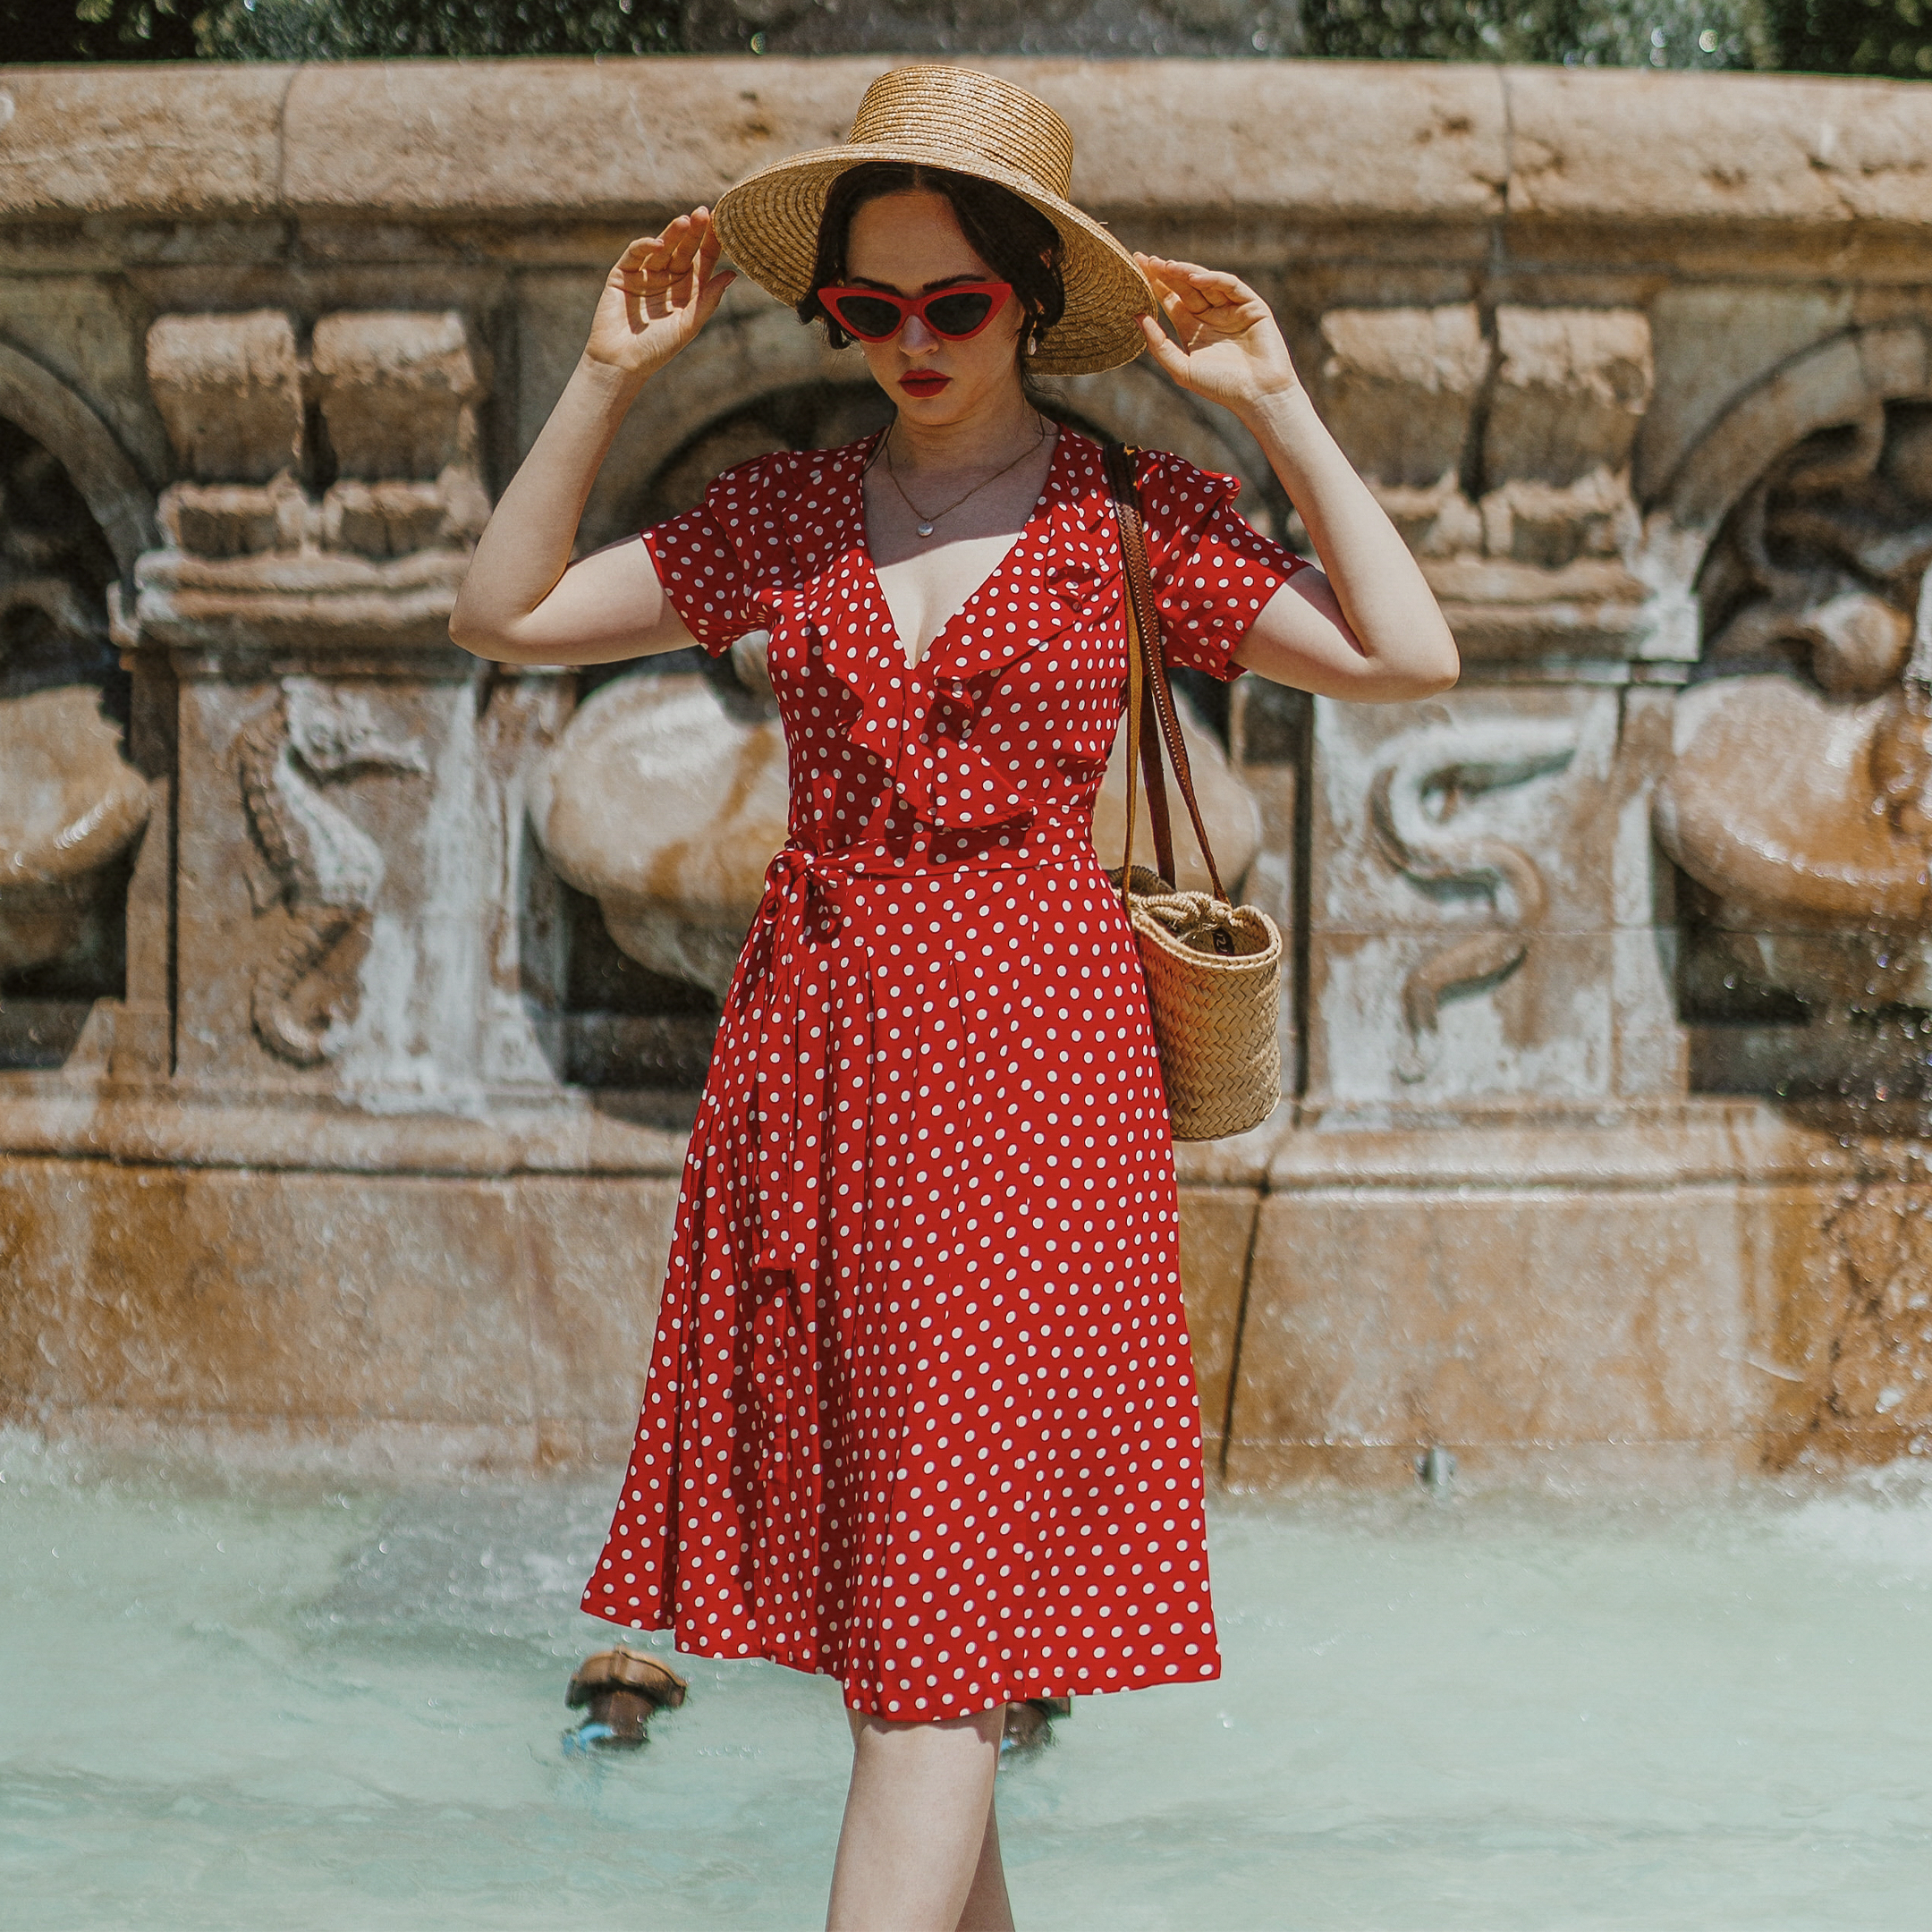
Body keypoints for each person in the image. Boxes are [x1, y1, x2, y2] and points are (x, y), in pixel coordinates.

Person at [451, 64, 1457, 1932]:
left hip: (1033, 1091)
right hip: (817, 1078)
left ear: (1031, 302)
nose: (911, 345)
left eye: (957, 304)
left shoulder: (1129, 515)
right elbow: (503, 614)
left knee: (931, 1658)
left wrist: (1281, 406)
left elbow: (1408, 653)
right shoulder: (793, 516)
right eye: (868, 309)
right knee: (910, 1637)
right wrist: (604, 378)